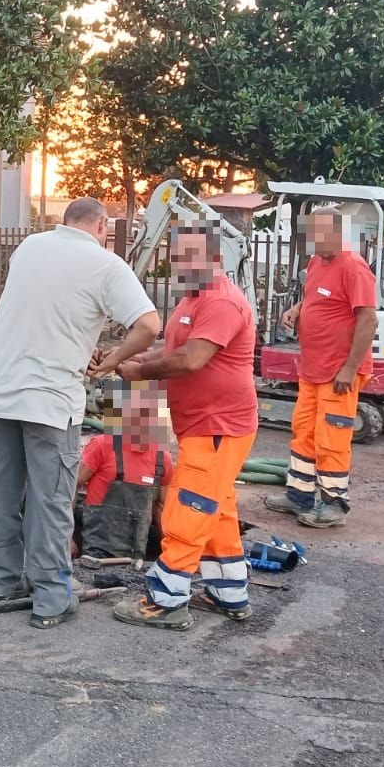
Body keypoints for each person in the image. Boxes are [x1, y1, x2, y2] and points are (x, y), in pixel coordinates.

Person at [0, 197, 161, 629]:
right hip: (50, 401)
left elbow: (46, 311)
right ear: (102, 226)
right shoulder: (107, 264)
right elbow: (148, 325)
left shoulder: (29, 247)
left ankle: (1, 584)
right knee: (50, 500)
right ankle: (52, 598)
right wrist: (113, 359)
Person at [110, 223, 259, 631]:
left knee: (189, 509)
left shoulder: (222, 302)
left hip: (219, 426)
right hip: (204, 425)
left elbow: (191, 360)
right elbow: (174, 350)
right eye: (177, 258)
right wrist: (128, 357)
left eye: (192, 256)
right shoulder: (193, 301)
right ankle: (228, 593)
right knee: (218, 510)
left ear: (215, 257)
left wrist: (139, 370)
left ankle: (166, 599)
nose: (183, 265)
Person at [265, 207, 378, 529]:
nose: (312, 240)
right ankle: (298, 495)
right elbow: (318, 298)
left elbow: (367, 320)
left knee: (332, 440)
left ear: (337, 233)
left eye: (318, 234)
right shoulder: (317, 262)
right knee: (304, 433)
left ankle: (334, 504)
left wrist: (349, 368)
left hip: (338, 373)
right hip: (314, 369)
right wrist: (297, 309)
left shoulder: (354, 268)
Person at [76, 382, 174, 562]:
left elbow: (162, 509)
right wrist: (65, 539)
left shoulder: (163, 459)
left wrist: (173, 553)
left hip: (137, 558)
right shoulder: (102, 446)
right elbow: (68, 490)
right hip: (95, 556)